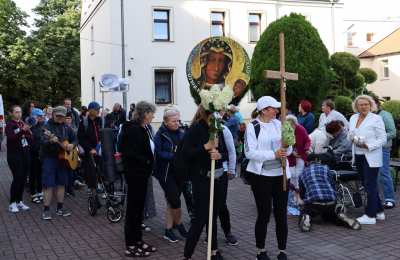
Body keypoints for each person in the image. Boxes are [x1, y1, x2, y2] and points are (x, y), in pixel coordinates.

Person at [244, 96, 292, 260]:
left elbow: (289, 147)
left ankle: (282, 250)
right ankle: (260, 250)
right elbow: (249, 152)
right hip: (262, 177)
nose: (277, 111)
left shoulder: (279, 124)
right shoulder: (253, 126)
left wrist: (287, 148)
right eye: (274, 108)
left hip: (282, 175)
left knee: (281, 214)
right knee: (264, 214)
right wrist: (273, 154)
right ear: (264, 110)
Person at [182, 106, 228, 260]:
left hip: (218, 179)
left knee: (213, 216)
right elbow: (186, 153)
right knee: (200, 218)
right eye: (219, 111)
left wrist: (219, 154)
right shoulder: (196, 129)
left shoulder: (217, 127)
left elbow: (226, 151)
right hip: (201, 180)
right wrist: (206, 147)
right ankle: (187, 255)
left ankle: (214, 250)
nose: (222, 114)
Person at [119, 101, 157, 257]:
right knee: (133, 211)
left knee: (139, 210)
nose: (153, 116)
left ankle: (138, 241)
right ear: (145, 113)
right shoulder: (133, 129)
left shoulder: (142, 128)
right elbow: (130, 153)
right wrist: (147, 161)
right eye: (151, 113)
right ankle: (130, 244)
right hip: (135, 175)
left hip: (142, 175)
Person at [348, 95, 387, 225]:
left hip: (371, 156)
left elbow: (383, 139)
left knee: (370, 185)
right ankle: (379, 211)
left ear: (371, 105)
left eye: (366, 104)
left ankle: (370, 216)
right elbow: (350, 133)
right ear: (356, 106)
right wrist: (352, 138)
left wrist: (368, 145)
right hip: (358, 155)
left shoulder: (376, 119)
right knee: (366, 184)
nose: (363, 106)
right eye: (361, 104)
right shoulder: (353, 118)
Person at [298, 154, 361, 232]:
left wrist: (303, 202)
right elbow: (332, 185)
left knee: (306, 210)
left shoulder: (302, 173)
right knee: (330, 217)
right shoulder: (326, 168)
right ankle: (340, 217)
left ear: (306, 163)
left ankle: (307, 216)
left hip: (314, 203)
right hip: (330, 202)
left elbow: (302, 193)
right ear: (318, 160)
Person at [154, 107, 188, 243]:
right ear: (166, 122)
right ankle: (179, 224)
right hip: (166, 173)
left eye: (178, 121)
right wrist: (174, 156)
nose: (177, 123)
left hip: (179, 172)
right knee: (175, 200)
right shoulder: (160, 134)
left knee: (171, 201)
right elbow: (158, 153)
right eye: (174, 121)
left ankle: (168, 230)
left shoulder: (181, 133)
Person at [41, 106, 77, 220]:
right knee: (48, 184)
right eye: (58, 116)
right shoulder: (46, 127)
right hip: (50, 158)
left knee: (62, 183)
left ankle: (60, 208)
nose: (61, 118)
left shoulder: (66, 127)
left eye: (63, 116)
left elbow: (75, 139)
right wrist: (50, 141)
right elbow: (42, 141)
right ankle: (46, 210)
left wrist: (72, 145)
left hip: (63, 160)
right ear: (53, 115)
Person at [5, 105, 32, 213]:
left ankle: (19, 201)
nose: (19, 114)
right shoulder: (9, 125)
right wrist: (22, 131)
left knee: (23, 178)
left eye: (20, 112)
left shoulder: (22, 123)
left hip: (24, 154)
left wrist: (26, 133)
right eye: (16, 112)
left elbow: (30, 137)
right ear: (11, 113)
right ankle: (12, 203)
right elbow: (11, 138)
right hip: (14, 156)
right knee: (17, 178)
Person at [374, 97, 397, 209]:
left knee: (384, 172)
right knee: (374, 174)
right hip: (371, 149)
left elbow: (392, 132)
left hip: (383, 148)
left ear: (377, 104)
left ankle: (390, 199)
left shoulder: (385, 115)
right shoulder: (369, 116)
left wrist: (377, 139)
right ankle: (377, 198)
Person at [286, 115, 311, 215]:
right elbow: (284, 143)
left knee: (299, 174)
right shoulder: (285, 131)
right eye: (289, 125)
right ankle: (293, 195)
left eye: (293, 125)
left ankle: (298, 195)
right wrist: (291, 152)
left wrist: (306, 148)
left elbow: (307, 140)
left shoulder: (301, 129)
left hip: (300, 154)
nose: (291, 127)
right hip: (290, 156)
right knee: (291, 174)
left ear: (295, 124)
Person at [77, 102, 102, 198]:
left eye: (98, 109)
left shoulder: (100, 120)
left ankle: (99, 185)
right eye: (96, 109)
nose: (98, 111)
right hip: (89, 152)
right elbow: (81, 138)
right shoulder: (84, 122)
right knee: (90, 170)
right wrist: (90, 149)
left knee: (100, 168)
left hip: (99, 150)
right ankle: (92, 189)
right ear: (90, 110)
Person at [29, 108, 46, 204]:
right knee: (33, 174)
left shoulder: (43, 126)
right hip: (32, 154)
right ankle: (33, 194)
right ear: (34, 117)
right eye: (39, 116)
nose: (42, 117)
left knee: (40, 174)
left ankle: (40, 191)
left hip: (41, 154)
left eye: (42, 116)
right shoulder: (30, 126)